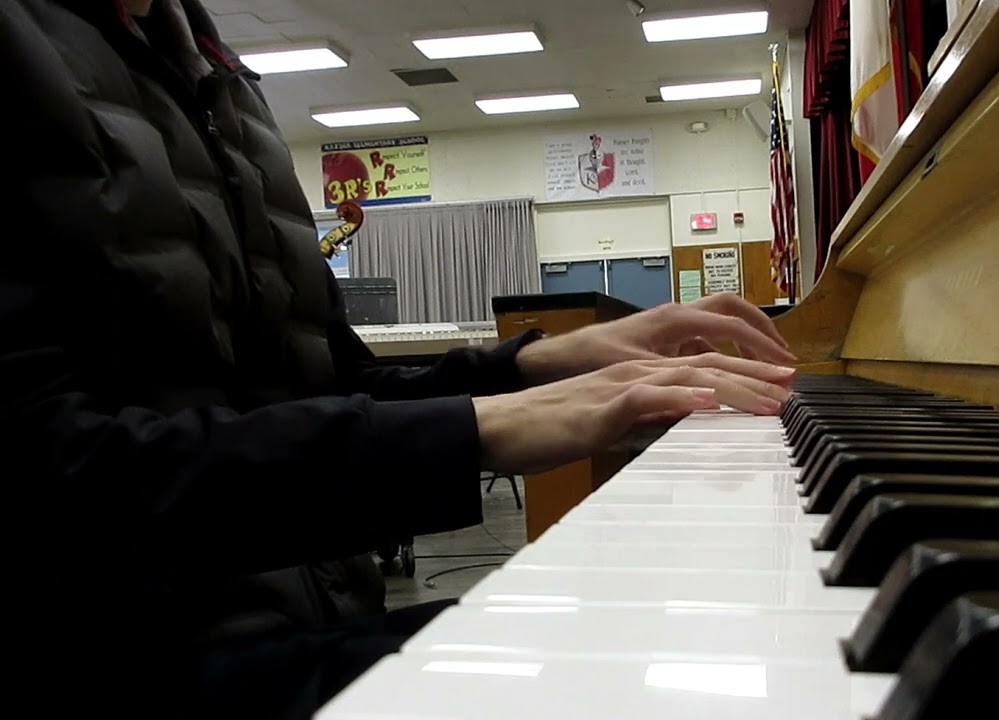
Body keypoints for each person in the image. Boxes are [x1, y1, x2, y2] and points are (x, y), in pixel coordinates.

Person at [0, 1, 797, 718]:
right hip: (123, 660)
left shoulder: (220, 72)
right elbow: (55, 476)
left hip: (314, 617)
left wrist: (541, 365)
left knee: (693, 622)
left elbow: (332, 382)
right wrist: (471, 431)